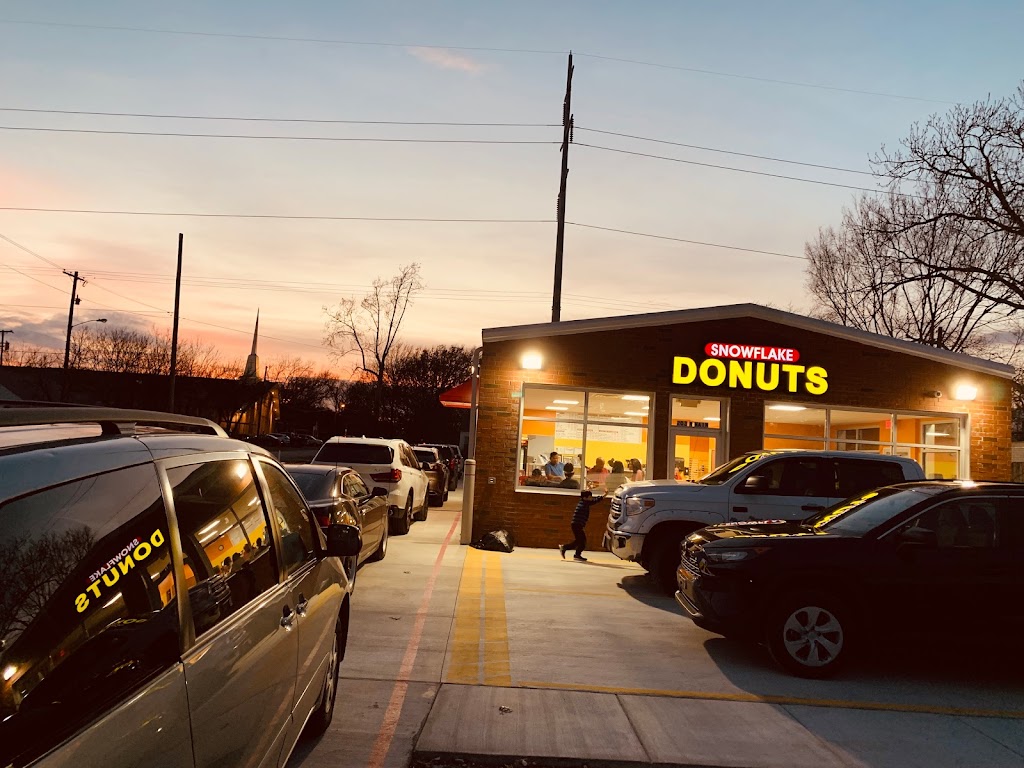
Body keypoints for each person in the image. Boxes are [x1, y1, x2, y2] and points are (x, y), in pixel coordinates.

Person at [559, 489, 607, 561]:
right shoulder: (585, 503)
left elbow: (594, 501)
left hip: (577, 525)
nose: (591, 498)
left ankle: (569, 550)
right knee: (582, 541)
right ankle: (571, 551)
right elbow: (595, 501)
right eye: (590, 497)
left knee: (579, 541)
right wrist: (604, 495)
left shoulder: (583, 502)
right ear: (585, 498)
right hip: (577, 525)